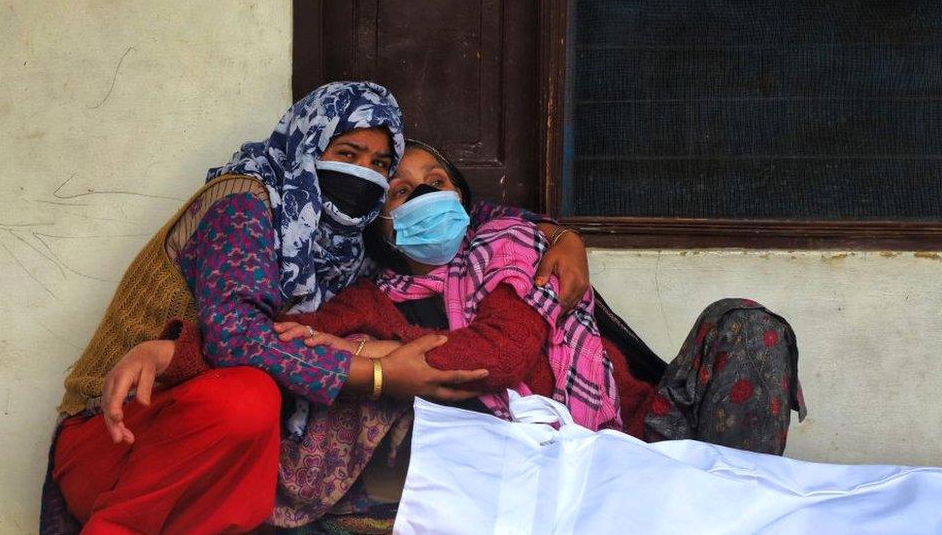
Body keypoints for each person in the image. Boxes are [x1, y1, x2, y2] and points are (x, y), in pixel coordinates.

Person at [112, 139, 807, 532]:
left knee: (748, 327)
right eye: (398, 190)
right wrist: (170, 350)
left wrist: (374, 358)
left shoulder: (520, 247)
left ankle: (731, 505)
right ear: (379, 228)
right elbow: (283, 337)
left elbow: (504, 353)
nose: (421, 194)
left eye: (435, 179)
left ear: (463, 198)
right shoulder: (369, 296)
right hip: (513, 472)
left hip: (623, 432)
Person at [40, 82, 594, 534]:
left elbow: (466, 210)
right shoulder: (247, 201)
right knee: (251, 396)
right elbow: (240, 337)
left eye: (379, 165)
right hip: (125, 426)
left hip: (228, 450)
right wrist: (378, 372)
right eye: (346, 154)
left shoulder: (348, 244)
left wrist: (562, 234)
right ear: (307, 146)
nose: (364, 175)